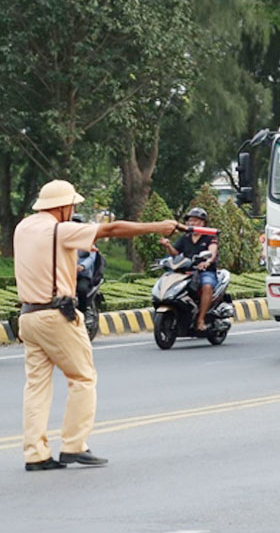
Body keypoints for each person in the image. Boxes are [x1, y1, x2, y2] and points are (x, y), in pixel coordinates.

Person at [18, 179, 177, 471]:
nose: (74, 209)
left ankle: (35, 453)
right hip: (55, 315)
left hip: (28, 317)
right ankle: (74, 445)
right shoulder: (60, 229)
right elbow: (112, 229)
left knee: (36, 386)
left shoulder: (23, 228)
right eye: (73, 206)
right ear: (63, 206)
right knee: (82, 378)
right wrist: (157, 226)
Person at [159, 206, 220, 333]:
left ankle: (201, 319)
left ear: (203, 223)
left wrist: (207, 262)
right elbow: (176, 253)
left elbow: (212, 252)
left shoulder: (210, 237)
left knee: (207, 286)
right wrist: (168, 245)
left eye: (196, 221)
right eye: (190, 221)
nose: (192, 223)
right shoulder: (185, 238)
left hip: (205, 271)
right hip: (186, 271)